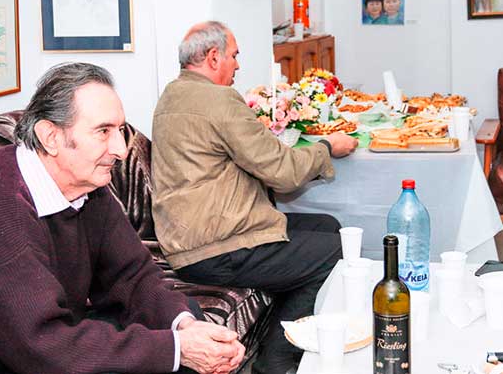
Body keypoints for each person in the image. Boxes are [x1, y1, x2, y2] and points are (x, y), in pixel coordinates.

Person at [0, 63, 245, 374]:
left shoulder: (85, 187)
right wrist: (177, 349)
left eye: (120, 130)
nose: (121, 150)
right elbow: (46, 349)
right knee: (172, 353)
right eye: (103, 131)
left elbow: (132, 275)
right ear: (51, 137)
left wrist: (184, 328)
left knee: (186, 318)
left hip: (34, 346)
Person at [151, 21, 359, 374]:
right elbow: (283, 171)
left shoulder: (172, 96)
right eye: (234, 56)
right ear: (213, 57)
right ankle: (276, 359)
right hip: (218, 246)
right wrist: (327, 147)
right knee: (336, 250)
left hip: (194, 235)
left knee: (326, 226)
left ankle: (285, 336)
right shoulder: (218, 99)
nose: (237, 65)